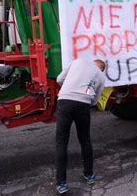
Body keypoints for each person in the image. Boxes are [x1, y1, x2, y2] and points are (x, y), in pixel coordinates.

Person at [55, 58, 106, 194]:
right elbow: (95, 101)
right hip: (83, 104)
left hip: (64, 102)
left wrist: (69, 87)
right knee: (85, 140)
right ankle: (89, 175)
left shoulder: (77, 61)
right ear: (101, 68)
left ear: (94, 62)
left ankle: (61, 183)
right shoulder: (101, 77)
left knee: (61, 142)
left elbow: (59, 79)